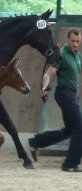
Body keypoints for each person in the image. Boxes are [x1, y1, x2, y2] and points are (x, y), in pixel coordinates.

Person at [28, 28, 82, 172]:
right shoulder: (61, 54)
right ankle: (70, 164)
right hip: (64, 93)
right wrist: (44, 87)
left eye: (77, 41)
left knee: (71, 129)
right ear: (67, 39)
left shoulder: (78, 56)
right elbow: (49, 73)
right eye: (73, 41)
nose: (75, 44)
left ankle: (36, 141)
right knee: (80, 127)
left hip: (72, 94)